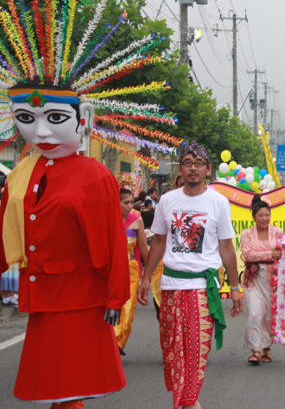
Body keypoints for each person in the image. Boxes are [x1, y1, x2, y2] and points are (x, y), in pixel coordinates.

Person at [0, 87, 130, 408]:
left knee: (70, 388)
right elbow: (5, 230)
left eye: (55, 118)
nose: (41, 131)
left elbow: (112, 240)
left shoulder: (94, 175)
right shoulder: (21, 173)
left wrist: (115, 295)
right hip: (40, 293)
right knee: (54, 388)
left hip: (80, 295)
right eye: (27, 119)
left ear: (83, 117)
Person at [137, 142, 242, 409]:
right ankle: (186, 402)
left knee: (197, 351)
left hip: (202, 288)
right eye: (187, 162)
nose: (192, 168)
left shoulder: (218, 202)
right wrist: (146, 278)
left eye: (198, 163)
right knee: (173, 353)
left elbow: (227, 247)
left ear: (208, 169)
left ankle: (190, 402)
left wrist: (235, 286)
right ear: (180, 168)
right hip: (171, 286)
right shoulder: (168, 200)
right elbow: (158, 242)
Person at [240, 195, 285, 364]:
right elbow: (247, 254)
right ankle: (255, 350)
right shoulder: (246, 234)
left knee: (268, 315)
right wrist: (269, 255)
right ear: (253, 217)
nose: (264, 218)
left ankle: (267, 349)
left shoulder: (278, 232)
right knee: (254, 313)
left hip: (273, 279)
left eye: (267, 215)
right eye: (260, 215)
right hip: (254, 279)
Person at [114, 189, 150, 355]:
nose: (130, 206)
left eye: (131, 202)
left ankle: (118, 344)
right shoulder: (107, 220)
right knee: (112, 308)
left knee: (128, 309)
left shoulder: (137, 220)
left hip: (131, 269)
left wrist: (150, 272)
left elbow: (143, 247)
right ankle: (110, 344)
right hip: (111, 270)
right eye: (125, 203)